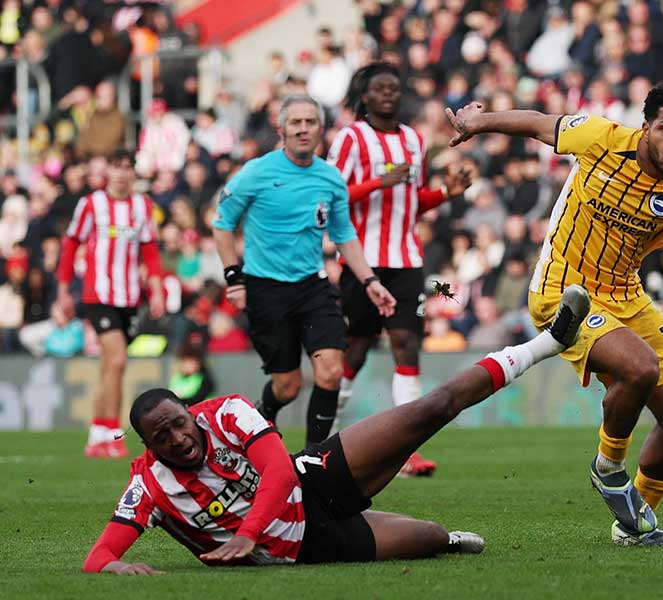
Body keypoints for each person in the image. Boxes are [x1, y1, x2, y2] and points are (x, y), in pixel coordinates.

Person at [445, 81, 663, 546]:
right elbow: (538, 124)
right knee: (639, 368)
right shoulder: (600, 138)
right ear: (646, 127)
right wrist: (477, 122)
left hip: (627, 295)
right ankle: (608, 466)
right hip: (563, 287)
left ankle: (634, 524)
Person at [81, 285, 591, 573]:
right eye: (161, 438)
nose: (178, 439)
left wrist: (246, 536)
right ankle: (445, 539)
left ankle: (547, 343)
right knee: (432, 538)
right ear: (148, 448)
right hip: (310, 546)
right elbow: (99, 555)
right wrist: (116, 567)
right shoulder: (147, 486)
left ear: (190, 412)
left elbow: (279, 472)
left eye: (177, 424)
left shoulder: (227, 412)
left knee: (427, 410)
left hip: (310, 481)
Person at [212, 94, 396, 448]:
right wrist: (234, 277)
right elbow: (222, 225)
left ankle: (314, 459)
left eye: (310, 122)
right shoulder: (255, 173)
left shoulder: (330, 179)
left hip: (313, 287)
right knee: (288, 386)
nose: (303, 129)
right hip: (266, 289)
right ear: (281, 129)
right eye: (295, 122)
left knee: (330, 371)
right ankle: (263, 411)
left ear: (321, 130)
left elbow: (343, 235)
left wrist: (369, 280)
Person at [326, 62, 473, 476]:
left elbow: (412, 201)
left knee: (406, 345)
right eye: (380, 88)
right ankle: (326, 434)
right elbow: (331, 194)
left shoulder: (412, 139)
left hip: (407, 259)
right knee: (356, 347)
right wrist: (379, 182)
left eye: (394, 87)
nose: (389, 93)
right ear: (365, 96)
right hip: (361, 259)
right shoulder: (351, 138)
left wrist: (446, 192)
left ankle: (405, 449)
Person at [53, 149, 165, 459]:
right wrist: (63, 291)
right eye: (116, 167)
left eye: (127, 167)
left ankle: (97, 434)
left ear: (133, 173)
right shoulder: (92, 205)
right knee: (117, 361)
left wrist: (156, 289)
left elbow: (151, 252)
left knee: (109, 367)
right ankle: (113, 433)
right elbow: (70, 244)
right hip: (98, 296)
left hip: (128, 298)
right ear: (108, 172)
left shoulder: (143, 206)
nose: (121, 173)